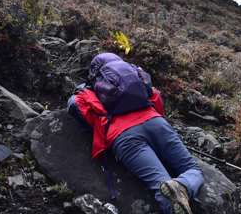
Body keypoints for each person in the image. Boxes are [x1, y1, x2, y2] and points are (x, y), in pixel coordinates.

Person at [72, 53, 205, 214]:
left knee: (161, 184)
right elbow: (156, 96)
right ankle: (183, 185)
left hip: (124, 135)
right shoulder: (135, 79)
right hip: (157, 124)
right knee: (193, 170)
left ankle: (175, 192)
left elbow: (76, 108)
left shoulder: (87, 92)